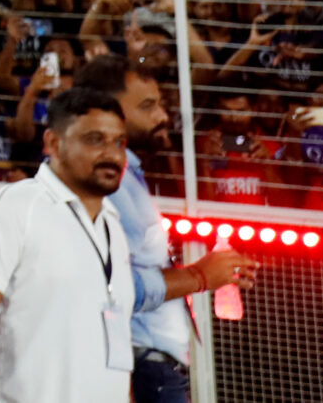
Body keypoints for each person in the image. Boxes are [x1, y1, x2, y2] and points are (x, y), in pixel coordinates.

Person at [73, 56, 257, 403]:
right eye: (148, 106)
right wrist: (199, 276)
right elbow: (113, 287)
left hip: (151, 365)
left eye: (160, 104)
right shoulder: (108, 184)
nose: (162, 116)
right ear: (106, 113)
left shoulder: (126, 175)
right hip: (141, 367)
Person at [0, 85, 135, 403]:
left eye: (119, 142)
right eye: (95, 139)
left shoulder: (113, 225)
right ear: (53, 143)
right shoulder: (16, 205)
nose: (112, 154)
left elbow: (117, 344)